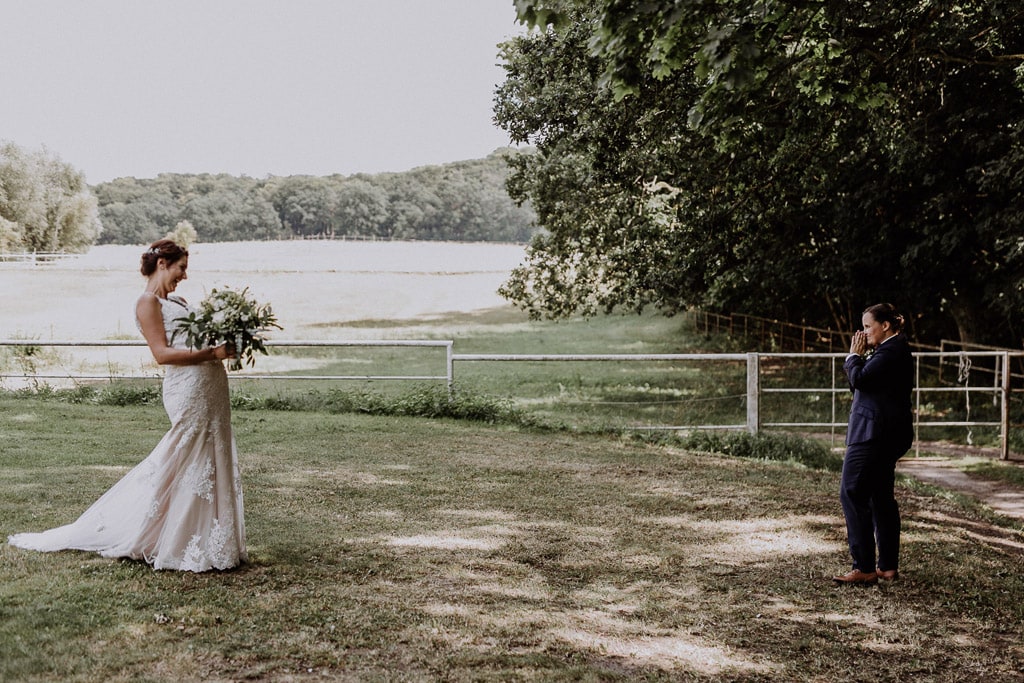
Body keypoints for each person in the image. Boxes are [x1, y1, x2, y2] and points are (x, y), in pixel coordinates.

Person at [7, 239, 247, 572]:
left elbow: (194, 339)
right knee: (181, 456)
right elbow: (162, 354)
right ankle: (155, 533)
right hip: (187, 388)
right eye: (181, 268)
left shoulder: (178, 300)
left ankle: (209, 537)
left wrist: (225, 339)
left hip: (211, 386)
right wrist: (211, 354)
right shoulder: (147, 303)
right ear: (162, 263)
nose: (184, 276)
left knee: (210, 455)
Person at [833, 303, 914, 585]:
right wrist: (859, 361)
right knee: (880, 497)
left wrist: (853, 357)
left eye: (868, 326)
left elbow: (860, 379)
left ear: (886, 326)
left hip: (873, 433)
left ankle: (865, 566)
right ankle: (887, 565)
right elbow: (860, 385)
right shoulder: (889, 351)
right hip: (883, 432)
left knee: (851, 491)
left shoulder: (892, 351)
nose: (864, 332)